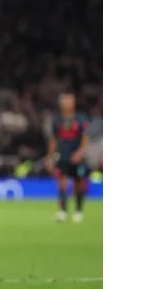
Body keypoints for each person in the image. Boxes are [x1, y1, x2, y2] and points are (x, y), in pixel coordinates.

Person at [45, 93, 90, 223]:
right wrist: (50, 156)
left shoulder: (80, 119)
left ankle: (78, 210)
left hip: (77, 156)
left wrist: (79, 153)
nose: (66, 103)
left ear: (74, 103)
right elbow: (53, 140)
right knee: (62, 183)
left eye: (69, 100)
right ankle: (63, 211)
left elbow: (85, 138)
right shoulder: (57, 120)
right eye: (64, 100)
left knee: (78, 183)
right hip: (62, 155)